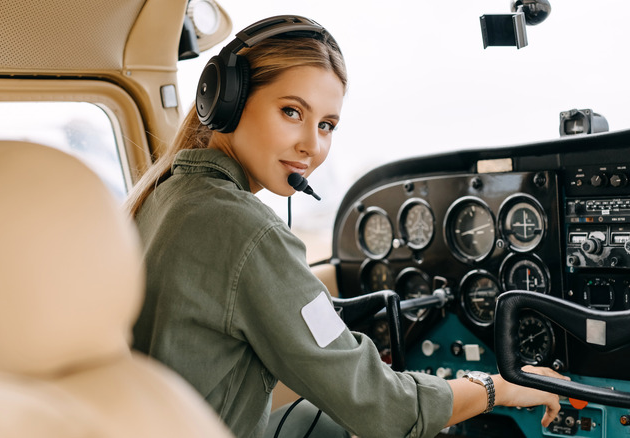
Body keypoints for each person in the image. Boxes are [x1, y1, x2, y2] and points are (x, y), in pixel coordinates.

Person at [126, 15, 566, 438]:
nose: (312, 146)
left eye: (326, 125)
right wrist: (498, 387)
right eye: (291, 112)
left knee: (326, 418)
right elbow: (384, 409)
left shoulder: (164, 194)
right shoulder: (243, 229)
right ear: (227, 100)